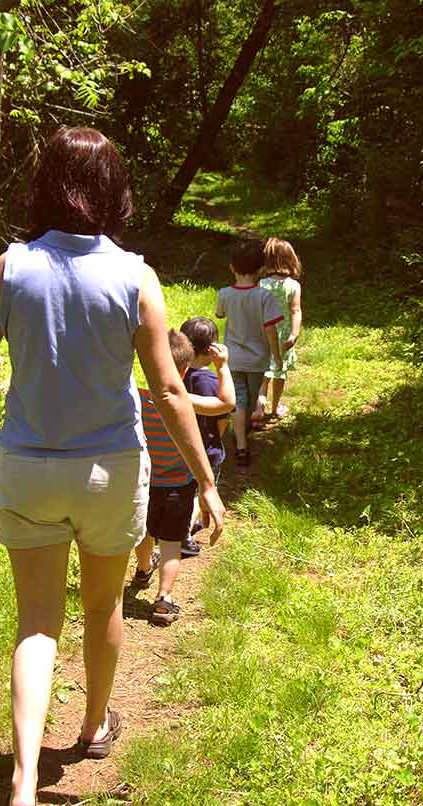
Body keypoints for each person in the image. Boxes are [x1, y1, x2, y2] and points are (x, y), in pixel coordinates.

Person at [0, 126, 224, 806]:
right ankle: (93, 725)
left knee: (36, 621)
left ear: (46, 183)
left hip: (30, 468)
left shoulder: (10, 267)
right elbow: (166, 389)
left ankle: (20, 780)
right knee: (102, 606)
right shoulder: (136, 275)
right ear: (112, 190)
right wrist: (209, 482)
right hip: (110, 469)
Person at [134, 329, 234, 625]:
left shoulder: (136, 400)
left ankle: (142, 570)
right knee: (170, 543)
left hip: (144, 483)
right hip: (178, 485)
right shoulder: (185, 401)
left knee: (143, 532)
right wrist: (223, 366)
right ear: (185, 368)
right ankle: (163, 599)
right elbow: (226, 403)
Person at [215, 239, 284, 467]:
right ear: (262, 269)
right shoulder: (265, 297)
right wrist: (277, 356)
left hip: (232, 357)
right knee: (252, 399)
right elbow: (271, 330)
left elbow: (219, 314)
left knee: (239, 400)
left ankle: (240, 443)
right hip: (257, 359)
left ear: (232, 268)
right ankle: (243, 442)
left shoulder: (225, 293)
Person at [179, 317, 230, 556]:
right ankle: (184, 536)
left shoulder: (178, 376)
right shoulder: (210, 380)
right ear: (212, 350)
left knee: (185, 489)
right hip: (206, 448)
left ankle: (180, 526)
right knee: (201, 491)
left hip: (180, 445)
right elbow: (223, 417)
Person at [252, 238, 302, 422]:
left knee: (264, 376)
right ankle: (275, 408)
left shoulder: (261, 284)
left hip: (263, 334)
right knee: (280, 374)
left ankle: (258, 410)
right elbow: (295, 310)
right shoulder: (293, 286)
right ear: (290, 260)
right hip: (282, 337)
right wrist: (294, 334)